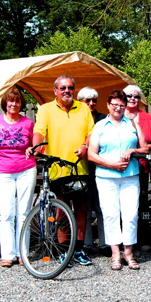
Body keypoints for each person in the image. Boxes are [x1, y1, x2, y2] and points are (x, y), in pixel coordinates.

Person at [32, 75, 95, 266]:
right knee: (61, 211)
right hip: (58, 168)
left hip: (80, 167)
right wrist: (36, 146)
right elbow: (39, 130)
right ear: (55, 91)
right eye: (63, 88)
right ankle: (63, 250)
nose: (67, 91)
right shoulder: (46, 109)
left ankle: (79, 250)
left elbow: (91, 132)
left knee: (82, 210)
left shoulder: (83, 108)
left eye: (70, 88)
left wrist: (85, 146)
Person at [87, 90, 149, 270]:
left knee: (130, 215)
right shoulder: (100, 126)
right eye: (114, 104)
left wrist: (133, 151)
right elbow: (91, 155)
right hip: (106, 177)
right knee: (110, 214)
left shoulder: (132, 124)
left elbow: (145, 148)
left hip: (130, 176)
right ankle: (115, 253)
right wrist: (111, 165)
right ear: (108, 105)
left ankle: (129, 253)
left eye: (121, 105)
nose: (118, 108)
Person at [0, 87, 37, 268]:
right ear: (5, 103)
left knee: (24, 212)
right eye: (10, 101)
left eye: (17, 101)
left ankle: (22, 252)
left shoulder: (28, 123)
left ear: (21, 103)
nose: (14, 104)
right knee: (6, 213)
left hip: (26, 169)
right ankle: (7, 254)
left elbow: (34, 146)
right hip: (3, 171)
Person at [123, 84, 151, 252]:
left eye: (136, 96)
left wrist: (143, 149)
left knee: (142, 203)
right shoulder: (118, 115)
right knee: (123, 204)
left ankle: (143, 238)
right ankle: (125, 239)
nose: (132, 99)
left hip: (142, 166)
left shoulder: (149, 118)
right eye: (129, 96)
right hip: (122, 167)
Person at [77, 86, 107, 256]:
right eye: (87, 100)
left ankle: (104, 243)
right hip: (83, 169)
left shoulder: (103, 119)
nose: (91, 103)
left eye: (94, 100)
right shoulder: (76, 119)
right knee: (85, 208)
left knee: (102, 207)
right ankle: (87, 243)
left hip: (100, 168)